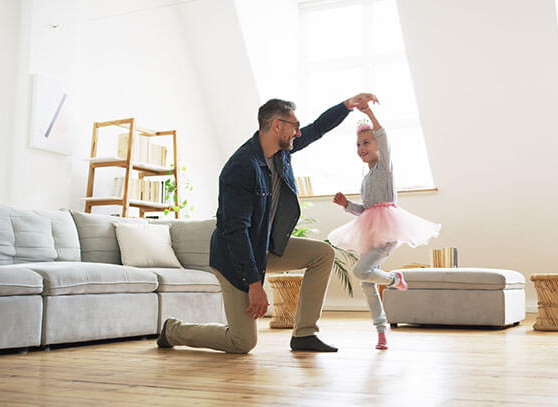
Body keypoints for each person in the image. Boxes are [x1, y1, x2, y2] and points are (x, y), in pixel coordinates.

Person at [157, 93, 379, 353]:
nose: (298, 133)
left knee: (322, 254)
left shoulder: (282, 152)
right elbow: (235, 232)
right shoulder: (240, 168)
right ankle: (172, 330)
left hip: (264, 247)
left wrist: (347, 106)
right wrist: (254, 284)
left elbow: (317, 128)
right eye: (294, 127)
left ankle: (304, 334)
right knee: (242, 343)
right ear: (277, 125)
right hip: (235, 259)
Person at [327, 104, 440, 350]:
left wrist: (369, 113)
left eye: (367, 143)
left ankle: (393, 279)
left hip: (388, 231)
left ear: (377, 145)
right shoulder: (366, 178)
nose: (362, 149)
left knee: (361, 271)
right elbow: (367, 211)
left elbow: (384, 136)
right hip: (370, 233)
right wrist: (347, 205)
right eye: (358, 145)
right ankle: (381, 331)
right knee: (367, 282)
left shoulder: (385, 168)